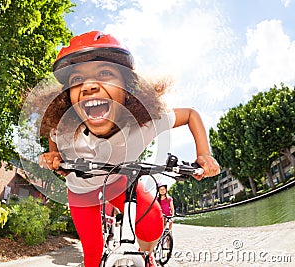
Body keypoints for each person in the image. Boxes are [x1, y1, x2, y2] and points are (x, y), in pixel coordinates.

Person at [38, 31, 220, 267]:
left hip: (116, 182)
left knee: (153, 222)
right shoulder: (66, 129)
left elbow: (190, 115)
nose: (89, 86)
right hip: (80, 191)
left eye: (105, 74)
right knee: (92, 257)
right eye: (76, 81)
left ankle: (146, 257)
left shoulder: (142, 125)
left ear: (128, 88)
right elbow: (53, 133)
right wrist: (55, 155)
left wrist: (203, 154)